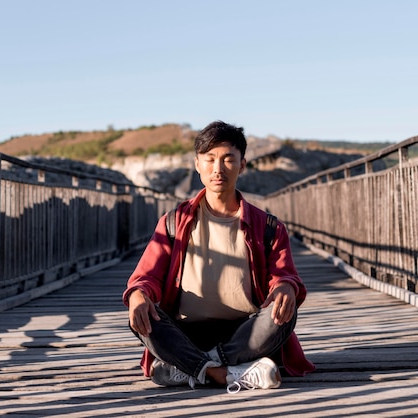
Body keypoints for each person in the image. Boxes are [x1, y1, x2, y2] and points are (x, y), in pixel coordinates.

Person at [122, 120, 315, 393]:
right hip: (186, 332)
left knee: (285, 311)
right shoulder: (174, 222)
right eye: (210, 159)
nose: (218, 169)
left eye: (227, 159)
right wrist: (139, 294)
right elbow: (145, 277)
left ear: (242, 165)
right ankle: (227, 372)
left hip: (244, 333)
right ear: (197, 164)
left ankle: (192, 368)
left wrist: (285, 287)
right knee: (140, 313)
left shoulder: (269, 227)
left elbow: (284, 275)